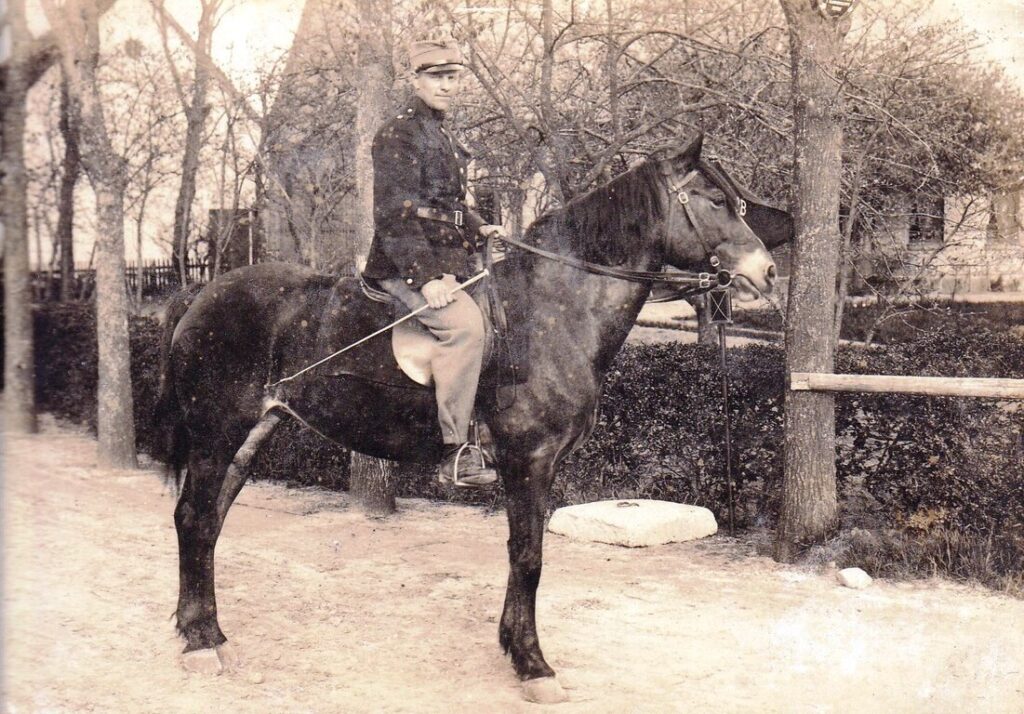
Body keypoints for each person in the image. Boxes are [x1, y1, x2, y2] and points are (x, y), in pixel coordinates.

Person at [362, 38, 503, 488]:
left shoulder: (440, 132)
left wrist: (480, 225)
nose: (448, 85)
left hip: (450, 257)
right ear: (415, 80)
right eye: (438, 76)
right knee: (464, 327)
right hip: (403, 262)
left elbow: (447, 203)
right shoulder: (398, 134)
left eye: (454, 76)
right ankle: (454, 451)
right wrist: (424, 280)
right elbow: (394, 215)